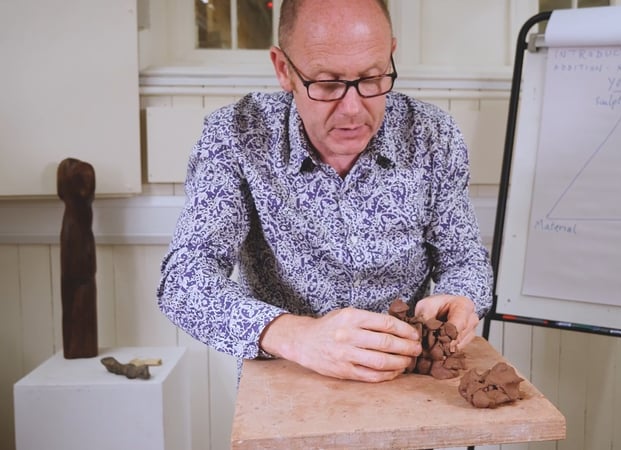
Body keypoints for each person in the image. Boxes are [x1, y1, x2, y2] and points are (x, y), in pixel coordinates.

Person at [157, 0, 493, 383]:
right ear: (284, 70)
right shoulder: (236, 136)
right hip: (286, 387)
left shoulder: (434, 136)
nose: (352, 109)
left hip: (408, 391)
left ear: (391, 56)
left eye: (371, 79)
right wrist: (296, 335)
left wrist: (463, 299)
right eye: (328, 84)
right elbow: (183, 279)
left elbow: (464, 260)